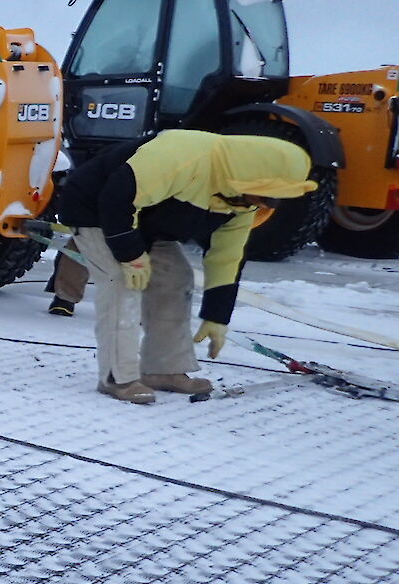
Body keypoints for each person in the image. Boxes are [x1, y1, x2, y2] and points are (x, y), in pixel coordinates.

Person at [56, 129, 316, 403]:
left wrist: (217, 315)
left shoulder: (243, 199)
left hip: (152, 223)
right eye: (266, 196)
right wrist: (131, 255)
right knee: (122, 282)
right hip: (97, 210)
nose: (266, 205)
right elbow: (117, 199)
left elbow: (226, 256)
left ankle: (163, 371)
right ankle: (117, 378)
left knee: (175, 280)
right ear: (251, 176)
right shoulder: (181, 157)